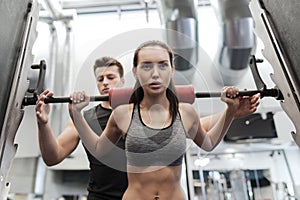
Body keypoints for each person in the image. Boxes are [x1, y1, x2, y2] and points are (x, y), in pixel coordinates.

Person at [69, 40, 260, 200]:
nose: (155, 73)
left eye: (162, 65)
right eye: (146, 65)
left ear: (171, 70)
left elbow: (208, 144)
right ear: (135, 72)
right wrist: (77, 115)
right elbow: (98, 149)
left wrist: (230, 110)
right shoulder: (122, 114)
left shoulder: (186, 113)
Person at [35, 57, 128, 200]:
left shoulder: (136, 113)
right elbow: (52, 157)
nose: (105, 82)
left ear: (122, 81)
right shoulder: (85, 119)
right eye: (100, 79)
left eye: (111, 77)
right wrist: (43, 124)